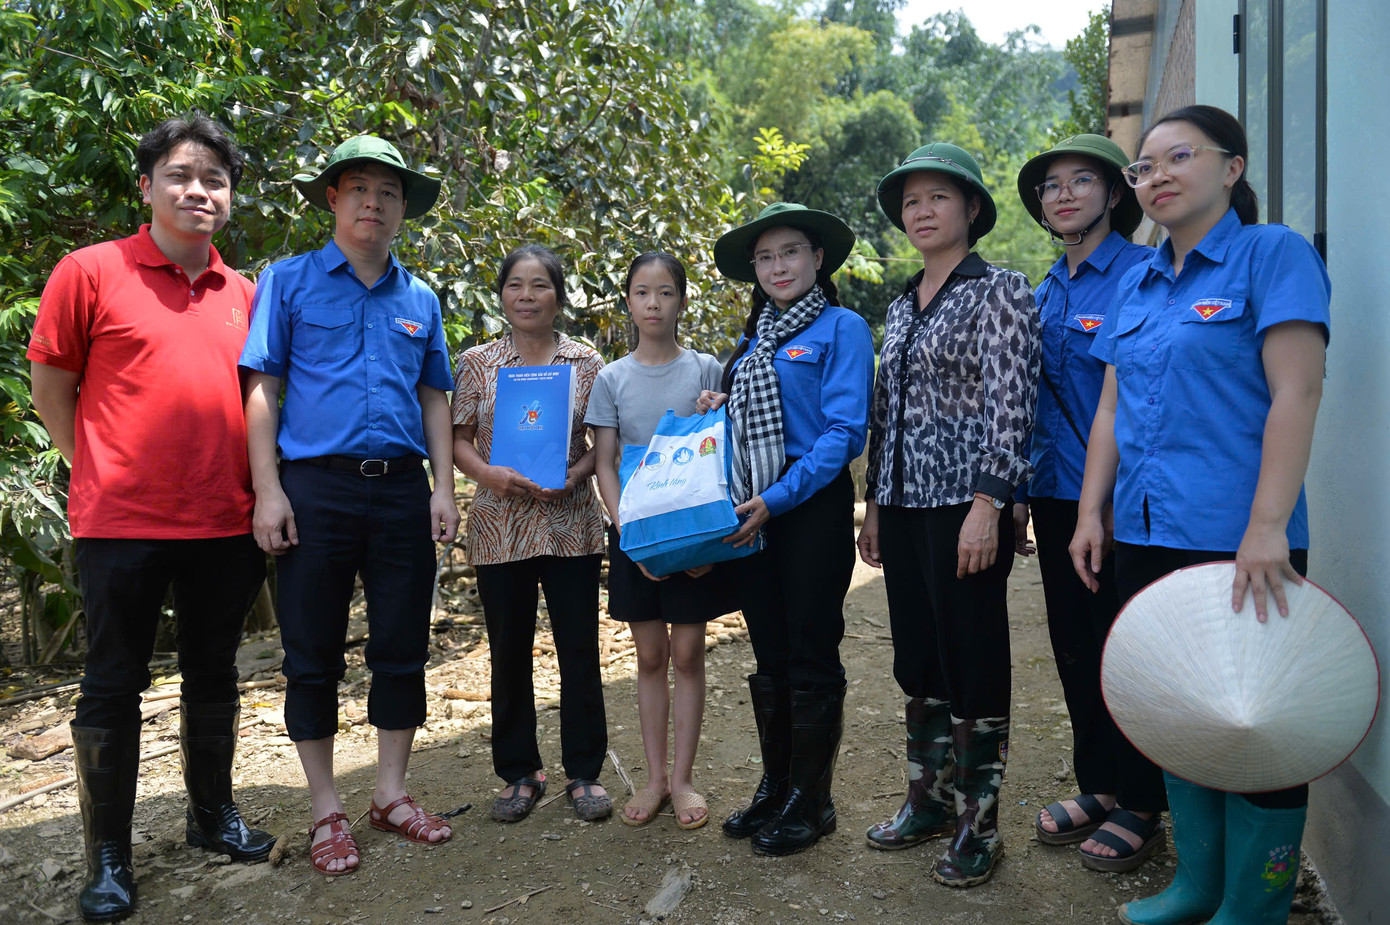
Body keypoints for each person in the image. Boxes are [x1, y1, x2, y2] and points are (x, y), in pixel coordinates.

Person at [1069, 105, 1329, 925]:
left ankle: (1253, 908)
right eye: (1144, 167)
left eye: (1179, 156)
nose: (1158, 176)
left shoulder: (1271, 254)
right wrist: (1088, 513)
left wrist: (1267, 526)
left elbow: (1299, 388)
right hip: (1144, 533)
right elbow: (1109, 410)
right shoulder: (1139, 280)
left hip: (1238, 539)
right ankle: (1197, 884)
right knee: (1177, 710)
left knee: (1257, 723)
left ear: (1233, 166)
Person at [28, 115, 275, 922]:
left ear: (230, 198)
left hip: (222, 522)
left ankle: (212, 815)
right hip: (121, 523)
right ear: (147, 187)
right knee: (111, 685)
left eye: (215, 179)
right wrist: (97, 466)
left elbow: (256, 400)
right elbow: (52, 388)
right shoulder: (90, 272)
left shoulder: (243, 294)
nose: (198, 190)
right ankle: (109, 856)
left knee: (212, 675)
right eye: (180, 175)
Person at [241, 136, 457, 876]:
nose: (375, 202)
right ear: (332, 198)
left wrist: (443, 486)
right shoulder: (290, 282)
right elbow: (262, 389)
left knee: (401, 643)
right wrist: (268, 488)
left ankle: (391, 794)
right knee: (313, 652)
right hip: (315, 488)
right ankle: (327, 808)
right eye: (359, 188)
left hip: (400, 487)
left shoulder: (420, 298)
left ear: (403, 210)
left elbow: (436, 395)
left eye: (389, 193)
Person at [856, 143, 1039, 888]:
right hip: (901, 503)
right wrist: (872, 505)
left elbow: (1012, 405)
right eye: (910, 202)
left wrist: (989, 503)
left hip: (965, 505)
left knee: (972, 657)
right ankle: (927, 799)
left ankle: (979, 822)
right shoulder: (900, 304)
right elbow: (883, 411)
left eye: (937, 197)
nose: (922, 211)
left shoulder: (1000, 290)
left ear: (970, 208)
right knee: (919, 658)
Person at [1011, 135, 1167, 872]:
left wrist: (1099, 505)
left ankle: (1144, 800)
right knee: (1075, 645)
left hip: (1121, 501)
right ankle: (1099, 784)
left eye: (1082, 181)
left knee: (1126, 645)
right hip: (1052, 494)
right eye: (1050, 186)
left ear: (1115, 194)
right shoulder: (1043, 290)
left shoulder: (1144, 274)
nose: (1063, 193)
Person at [703, 202, 874, 856]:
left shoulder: (842, 328)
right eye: (766, 257)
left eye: (791, 252)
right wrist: (717, 401)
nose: (779, 266)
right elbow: (743, 427)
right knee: (769, 651)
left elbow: (841, 435)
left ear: (818, 258)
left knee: (810, 648)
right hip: (753, 514)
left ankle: (814, 799)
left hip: (807, 513)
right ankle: (777, 784)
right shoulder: (751, 341)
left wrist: (778, 498)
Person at [452, 245, 614, 824]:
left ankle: (585, 771)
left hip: (571, 523)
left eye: (540, 285)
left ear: (559, 296)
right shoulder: (478, 362)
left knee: (578, 650)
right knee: (509, 654)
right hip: (501, 527)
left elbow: (604, 443)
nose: (526, 296)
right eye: (515, 285)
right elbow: (458, 439)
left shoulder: (586, 361)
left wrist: (576, 474)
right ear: (501, 294)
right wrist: (489, 474)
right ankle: (520, 771)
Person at [585, 253, 735, 829]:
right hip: (636, 540)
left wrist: (717, 409)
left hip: (694, 537)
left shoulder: (705, 369)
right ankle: (652, 780)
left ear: (682, 301)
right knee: (649, 657)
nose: (654, 303)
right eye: (642, 293)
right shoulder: (611, 379)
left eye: (666, 292)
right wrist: (632, 542)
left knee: (689, 653)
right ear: (627, 300)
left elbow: (722, 451)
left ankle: (683, 780)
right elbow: (604, 467)